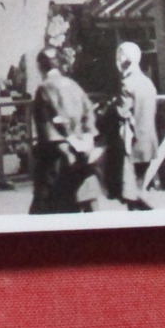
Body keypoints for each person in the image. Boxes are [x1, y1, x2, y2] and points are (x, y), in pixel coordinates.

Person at [30, 49, 103, 215]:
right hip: (80, 152)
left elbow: (45, 126)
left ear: (41, 67)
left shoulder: (43, 88)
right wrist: (87, 137)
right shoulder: (74, 85)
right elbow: (88, 112)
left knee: (47, 206)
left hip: (57, 155)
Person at [116, 42, 159, 211]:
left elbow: (122, 112)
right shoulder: (147, 83)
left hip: (131, 143)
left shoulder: (127, 84)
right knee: (138, 187)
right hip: (148, 141)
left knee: (130, 192)